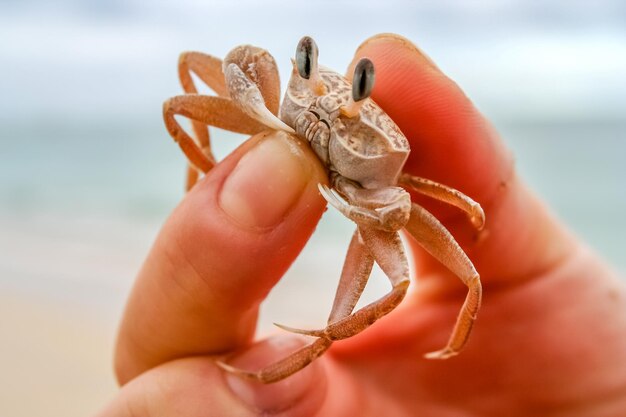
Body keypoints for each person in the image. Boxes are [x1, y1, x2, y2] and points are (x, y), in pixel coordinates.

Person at [98, 34, 626, 416]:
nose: (325, 115)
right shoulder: (300, 88)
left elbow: (441, 246)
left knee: (417, 280)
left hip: (368, 189)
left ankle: (318, 342)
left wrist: (393, 208)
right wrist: (208, 169)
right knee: (181, 98)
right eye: (303, 70)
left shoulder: (391, 165)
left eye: (345, 105)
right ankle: (203, 177)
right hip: (286, 137)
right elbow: (200, 69)